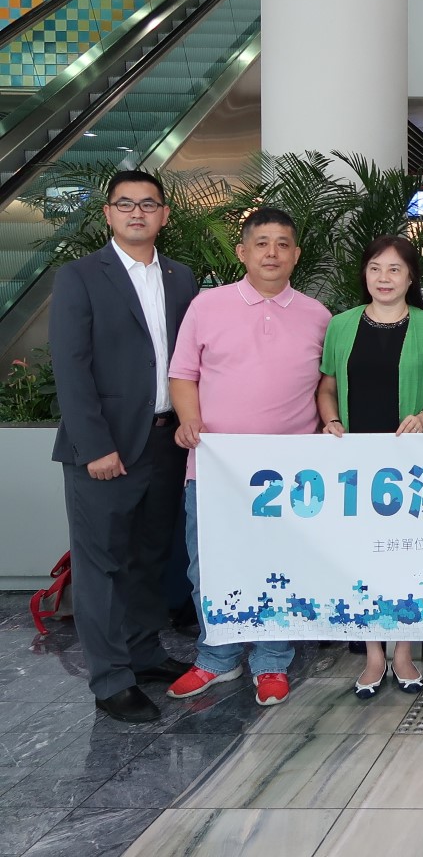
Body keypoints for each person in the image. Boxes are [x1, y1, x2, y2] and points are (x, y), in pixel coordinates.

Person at [167, 208, 332, 708]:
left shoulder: (318, 315)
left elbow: (326, 386)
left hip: (290, 473)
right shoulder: (206, 306)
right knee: (208, 566)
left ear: (296, 255)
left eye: (282, 244)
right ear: (242, 252)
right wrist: (189, 420)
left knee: (279, 565)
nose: (271, 253)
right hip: (216, 467)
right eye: (261, 243)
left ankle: (272, 659)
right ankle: (216, 656)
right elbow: (183, 374)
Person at [49, 170, 198, 724]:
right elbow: (70, 367)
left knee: (150, 557)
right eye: (126, 204)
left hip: (165, 440)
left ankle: (143, 652)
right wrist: (95, 446)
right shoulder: (80, 277)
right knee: (103, 565)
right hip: (106, 448)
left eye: (148, 204)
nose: (138, 212)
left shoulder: (181, 278)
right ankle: (111, 679)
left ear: (164, 215)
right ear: (108, 214)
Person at [317, 236, 423, 699]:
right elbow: (326, 387)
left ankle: (404, 652)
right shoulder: (341, 325)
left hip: (409, 462)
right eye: (376, 268)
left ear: (411, 278)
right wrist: (331, 420)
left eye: (395, 270)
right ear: (365, 274)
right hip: (355, 463)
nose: (384, 278)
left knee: (408, 555)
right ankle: (373, 655)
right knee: (363, 558)